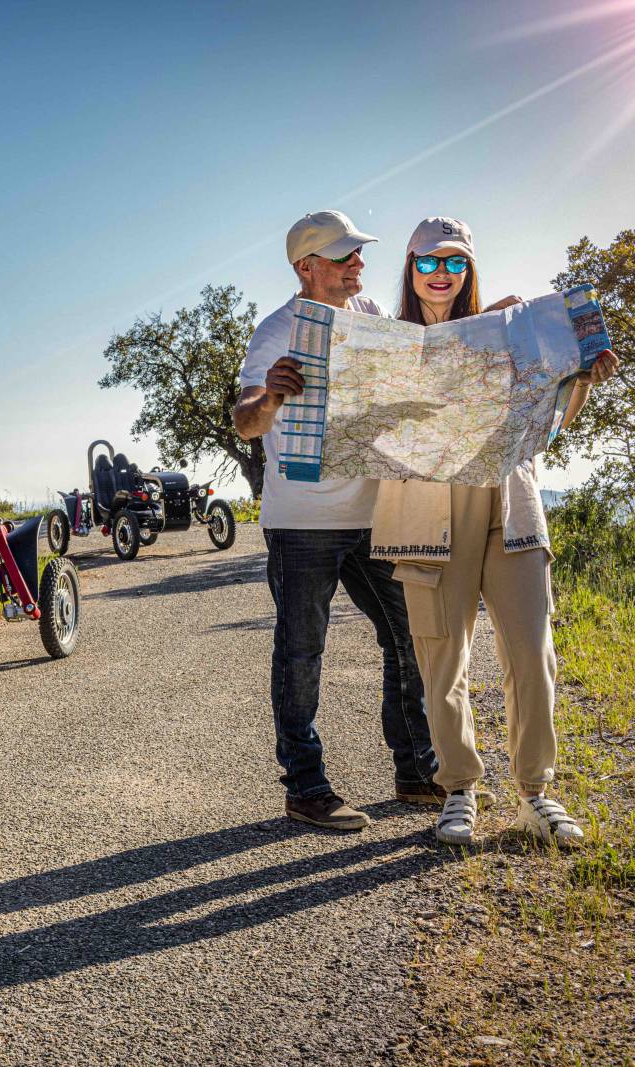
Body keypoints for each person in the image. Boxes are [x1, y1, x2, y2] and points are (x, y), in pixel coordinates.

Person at [371, 217, 619, 848]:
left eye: (455, 263)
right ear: (410, 268)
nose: (441, 275)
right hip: (428, 515)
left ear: (469, 270)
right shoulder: (388, 344)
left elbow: (552, 425)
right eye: (428, 263)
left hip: (511, 507)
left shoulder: (518, 333)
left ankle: (537, 793)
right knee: (441, 658)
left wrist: (581, 376)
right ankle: (458, 790)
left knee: (533, 654)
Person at [232, 210, 441, 831]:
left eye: (358, 252)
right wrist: (269, 397)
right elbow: (244, 420)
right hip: (303, 522)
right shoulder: (275, 332)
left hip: (375, 513)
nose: (359, 262)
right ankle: (305, 787)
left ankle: (415, 770)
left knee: (408, 635)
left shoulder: (371, 314)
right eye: (345, 253)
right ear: (307, 267)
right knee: (302, 650)